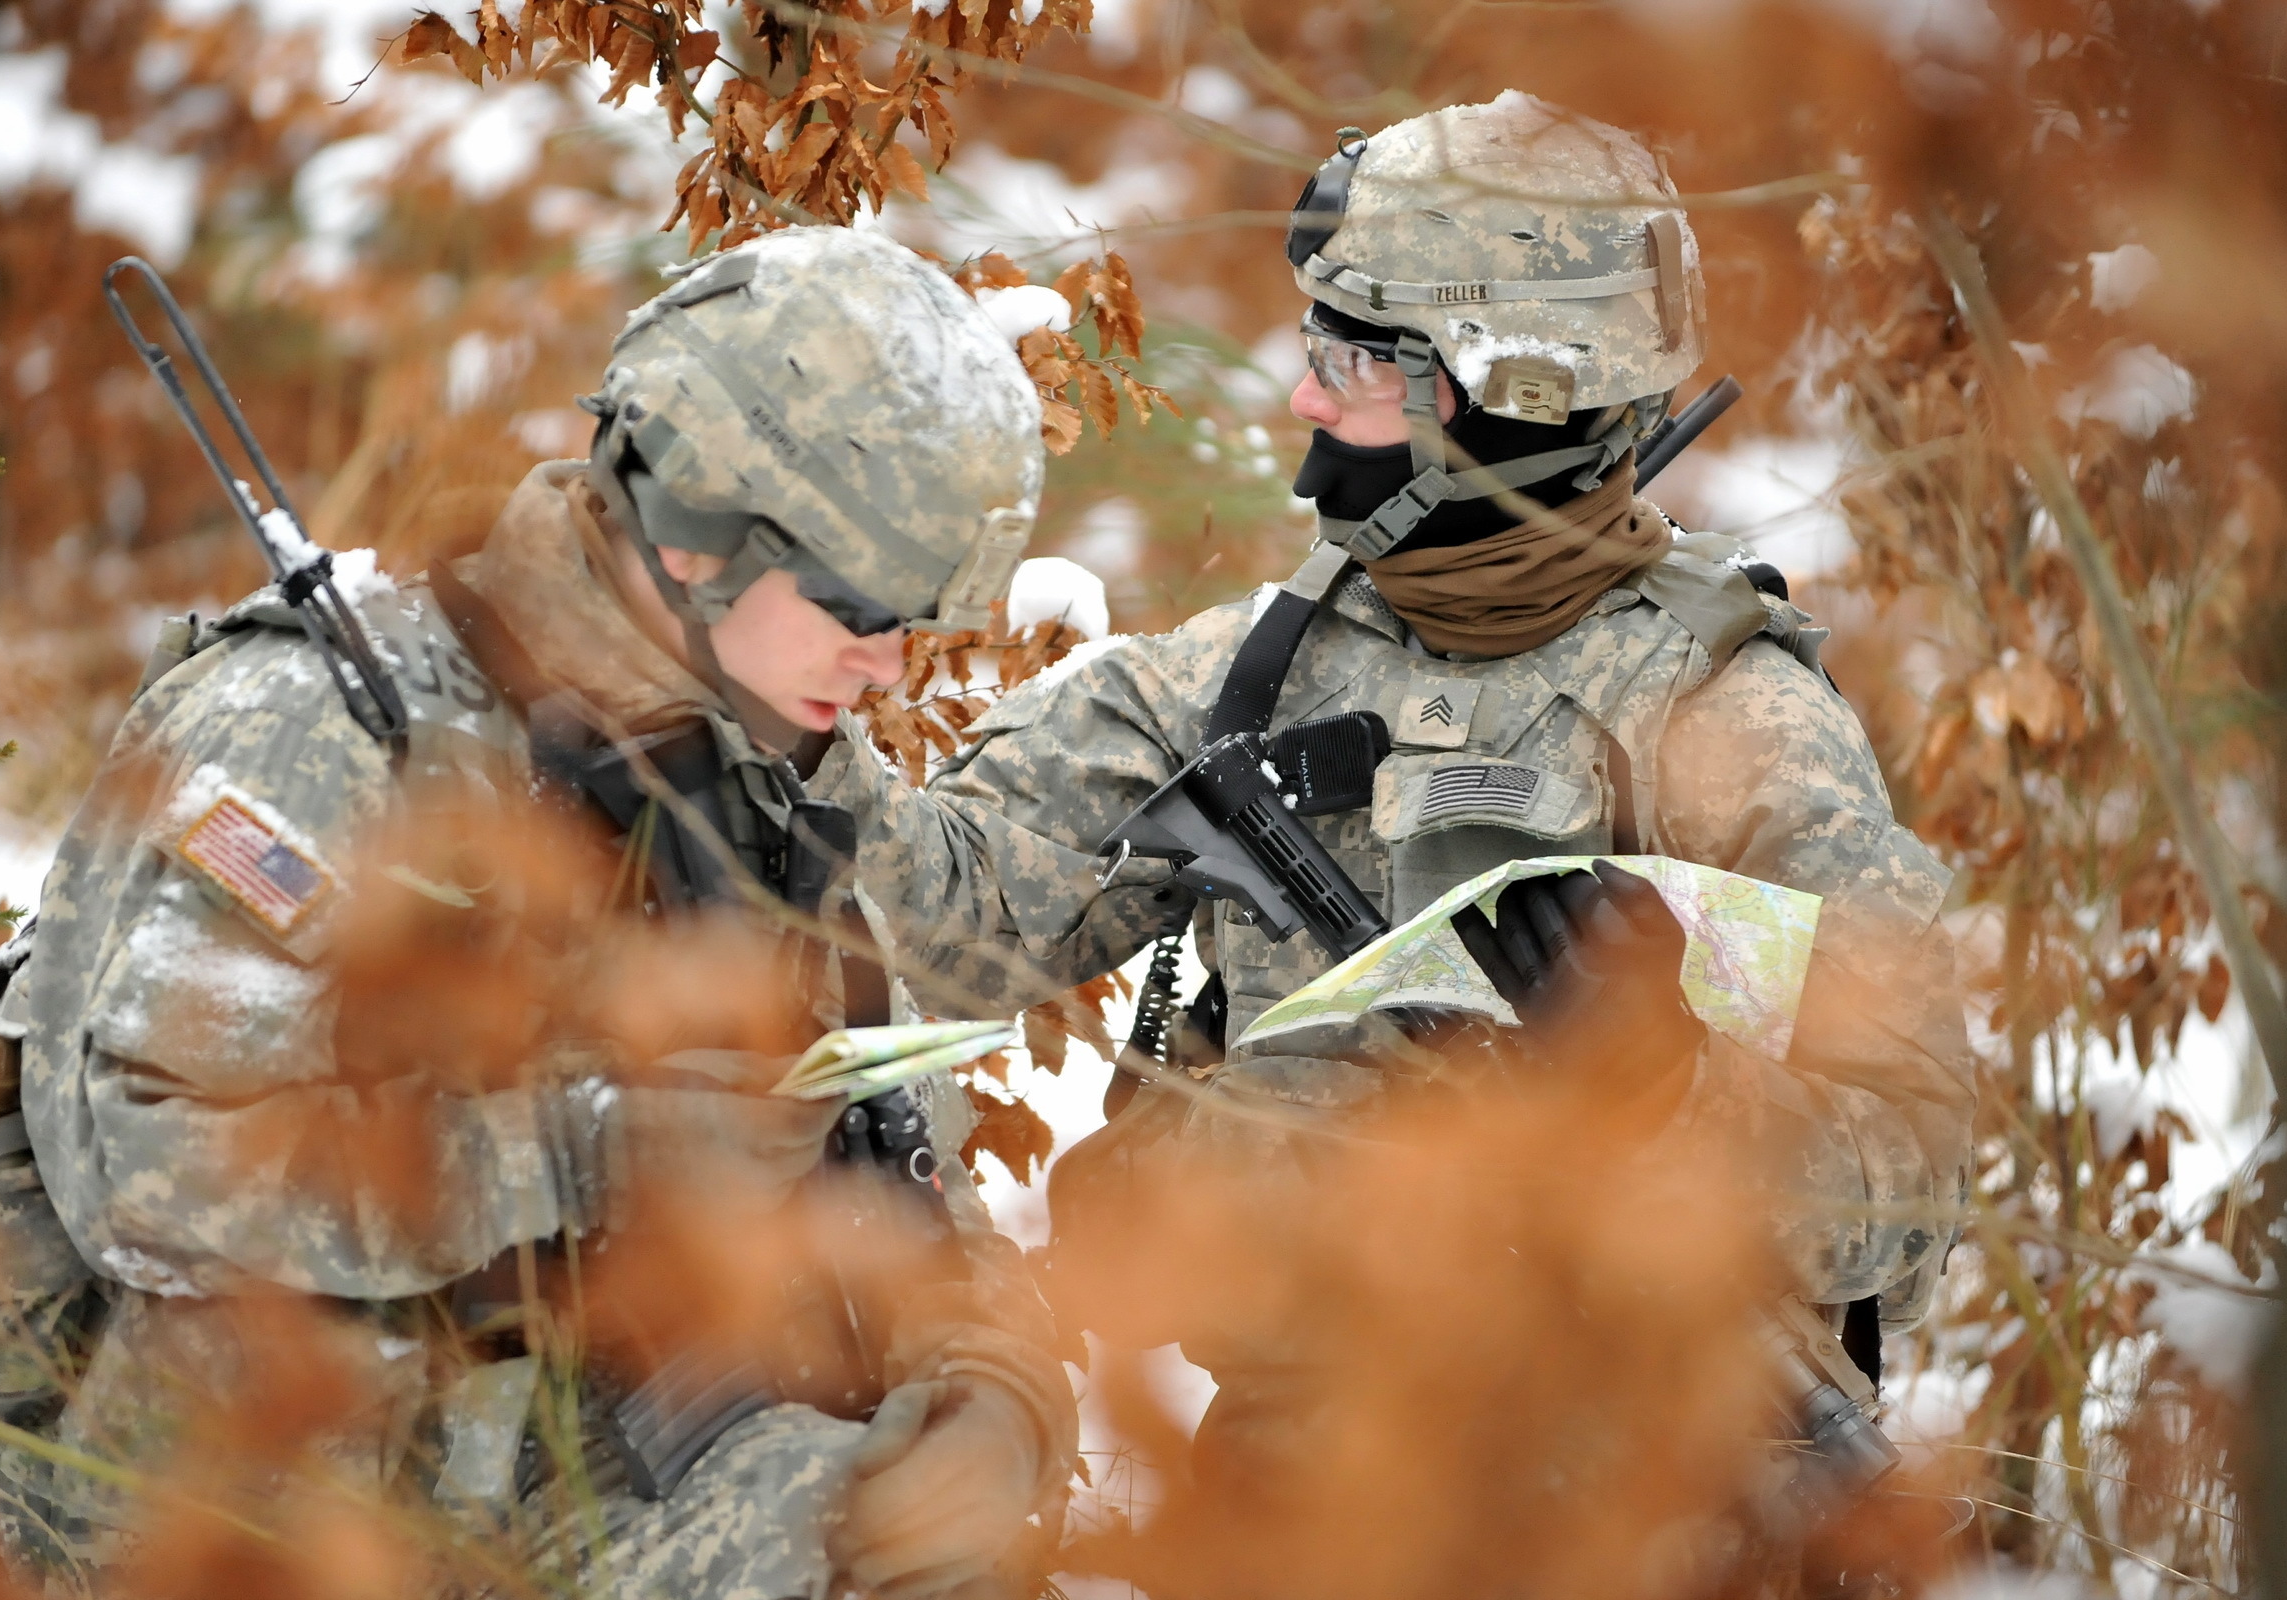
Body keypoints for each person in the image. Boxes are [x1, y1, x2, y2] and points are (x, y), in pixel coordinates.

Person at [810, 95, 1974, 1523]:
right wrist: (778, 631)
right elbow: (937, 912)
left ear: (1514, 388)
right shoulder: (1253, 675)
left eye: (1353, 361)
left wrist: (1674, 1090)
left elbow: (1916, 1195)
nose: (1304, 399)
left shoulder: (1730, 720)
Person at [0, 226, 1076, 1600]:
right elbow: (145, 1177)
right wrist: (584, 1156)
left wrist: (996, 1378)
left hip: (568, 1468)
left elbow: (888, 1124)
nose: (892, 663)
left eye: (920, 619)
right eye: (863, 606)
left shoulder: (772, 769)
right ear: (695, 536)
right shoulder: (310, 732)